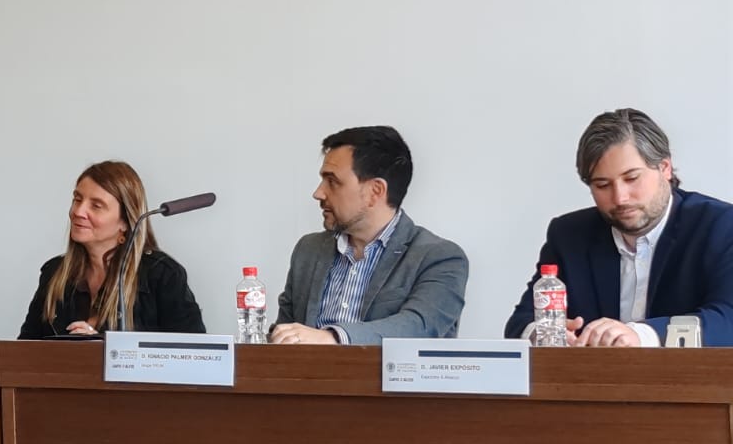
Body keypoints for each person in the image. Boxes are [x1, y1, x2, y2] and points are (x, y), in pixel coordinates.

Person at [504, 108, 733, 346]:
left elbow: (727, 320)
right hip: (593, 381)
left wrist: (641, 335)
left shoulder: (721, 226)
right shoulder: (569, 235)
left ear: (664, 168)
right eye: (602, 185)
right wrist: (543, 333)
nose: (620, 197)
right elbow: (520, 322)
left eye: (632, 178)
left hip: (690, 381)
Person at [271, 126, 467, 344]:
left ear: (376, 191)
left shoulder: (440, 258)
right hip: (305, 377)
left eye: (332, 181)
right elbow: (285, 333)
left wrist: (333, 338)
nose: (318, 193)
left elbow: (419, 326)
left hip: (383, 379)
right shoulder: (308, 250)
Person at [20, 161, 204, 338]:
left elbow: (193, 357)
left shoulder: (162, 274)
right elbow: (22, 353)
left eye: (96, 206)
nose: (78, 211)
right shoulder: (54, 272)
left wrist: (103, 348)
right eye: (77, 199)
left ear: (125, 221)